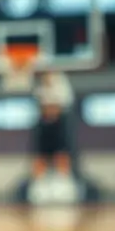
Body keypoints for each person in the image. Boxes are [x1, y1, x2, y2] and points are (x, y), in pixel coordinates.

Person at [29, 70, 76, 203]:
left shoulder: (62, 88)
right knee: (40, 158)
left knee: (61, 156)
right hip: (44, 128)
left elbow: (65, 102)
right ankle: (39, 187)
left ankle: (63, 186)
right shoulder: (39, 89)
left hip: (58, 127)